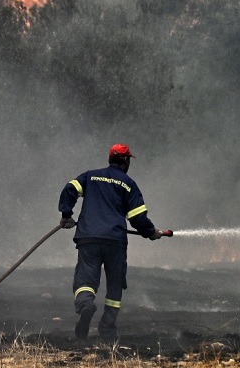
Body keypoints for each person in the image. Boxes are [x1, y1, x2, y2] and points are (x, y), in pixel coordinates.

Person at [58, 143, 164, 341]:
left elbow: (69, 189)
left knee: (86, 278)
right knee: (115, 284)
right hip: (115, 241)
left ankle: (86, 304)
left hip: (88, 238)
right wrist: (151, 232)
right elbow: (138, 217)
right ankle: (107, 329)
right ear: (125, 161)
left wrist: (66, 215)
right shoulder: (128, 184)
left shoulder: (90, 176)